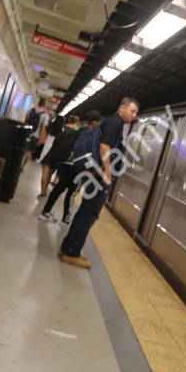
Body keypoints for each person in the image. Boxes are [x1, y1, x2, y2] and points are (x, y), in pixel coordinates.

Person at [58, 97, 138, 268]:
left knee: (84, 212)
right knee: (89, 214)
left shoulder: (111, 121)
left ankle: (66, 248)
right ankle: (72, 252)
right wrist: (107, 171)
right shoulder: (115, 122)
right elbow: (104, 146)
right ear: (121, 108)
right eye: (132, 111)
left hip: (96, 172)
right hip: (99, 175)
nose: (134, 115)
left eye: (136, 112)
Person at [38, 111, 92, 224]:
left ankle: (45, 212)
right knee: (71, 193)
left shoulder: (75, 131)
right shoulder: (89, 134)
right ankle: (66, 219)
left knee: (58, 188)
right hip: (76, 167)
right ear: (95, 123)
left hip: (64, 164)